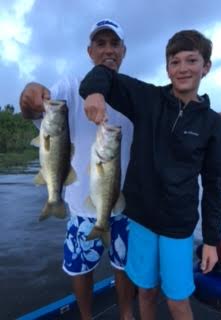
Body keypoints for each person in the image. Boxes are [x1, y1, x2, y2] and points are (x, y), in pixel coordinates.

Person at [79, 29, 221, 320]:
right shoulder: (147, 99)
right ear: (167, 68)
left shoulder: (214, 125)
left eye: (191, 60)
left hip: (178, 227)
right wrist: (96, 92)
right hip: (142, 220)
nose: (183, 68)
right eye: (175, 61)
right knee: (145, 292)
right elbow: (103, 75)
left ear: (206, 67)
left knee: (177, 302)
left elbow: (214, 186)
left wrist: (211, 240)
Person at [20, 19, 136, 320]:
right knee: (78, 268)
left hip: (125, 208)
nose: (108, 50)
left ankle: (126, 315)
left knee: (125, 267)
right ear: (90, 51)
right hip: (81, 208)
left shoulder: (134, 92)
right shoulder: (71, 86)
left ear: (123, 51)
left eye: (114, 44)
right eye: (101, 44)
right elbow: (34, 107)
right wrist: (31, 94)